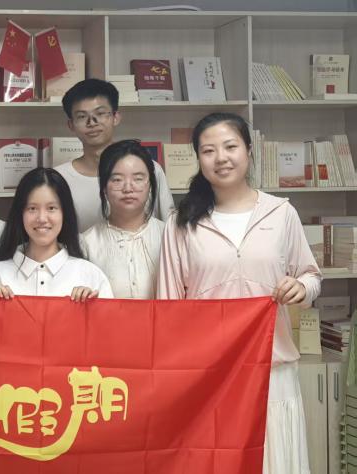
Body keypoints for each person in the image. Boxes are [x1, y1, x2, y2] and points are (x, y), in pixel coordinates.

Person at [157, 112, 321, 474]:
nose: (221, 158)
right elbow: (169, 310)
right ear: (199, 159)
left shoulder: (281, 213)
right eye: (208, 150)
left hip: (273, 370)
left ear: (249, 150)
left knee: (273, 461)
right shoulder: (180, 223)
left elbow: (311, 276)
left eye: (230, 146)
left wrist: (300, 287)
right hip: (209, 375)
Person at [0, 167, 113, 300]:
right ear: (20, 213)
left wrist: (91, 307)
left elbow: (108, 318)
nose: (41, 218)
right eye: (32, 208)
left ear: (65, 213)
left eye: (51, 208)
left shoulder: (90, 276)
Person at [55, 78, 175, 232]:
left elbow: (170, 227)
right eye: (82, 116)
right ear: (71, 125)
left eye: (100, 113)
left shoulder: (149, 169)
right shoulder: (59, 179)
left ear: (116, 117)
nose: (92, 122)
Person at [81, 139, 165, 298]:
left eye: (138, 179)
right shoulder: (87, 244)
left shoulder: (169, 236)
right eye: (117, 180)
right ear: (104, 187)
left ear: (150, 185)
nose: (128, 188)